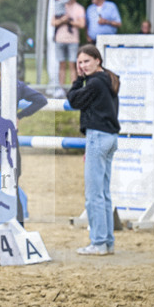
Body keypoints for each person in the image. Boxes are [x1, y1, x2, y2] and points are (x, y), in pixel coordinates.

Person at [0, 57, 47, 224]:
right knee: (12, 188)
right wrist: (19, 116)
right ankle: (18, 230)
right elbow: (41, 100)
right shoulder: (15, 84)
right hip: (10, 140)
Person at [67, 44, 120, 256]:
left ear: (98, 60)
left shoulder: (95, 83)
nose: (82, 66)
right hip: (109, 137)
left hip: (98, 136)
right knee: (103, 194)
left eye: (86, 61)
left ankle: (98, 242)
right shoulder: (108, 79)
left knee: (93, 195)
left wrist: (78, 79)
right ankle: (107, 242)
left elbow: (73, 100)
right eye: (79, 63)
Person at [50, 0, 86, 85]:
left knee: (72, 64)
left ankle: (73, 87)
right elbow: (53, 22)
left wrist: (70, 22)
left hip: (73, 40)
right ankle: (60, 88)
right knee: (61, 64)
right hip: (60, 39)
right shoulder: (60, 5)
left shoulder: (79, 8)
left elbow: (82, 24)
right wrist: (62, 20)